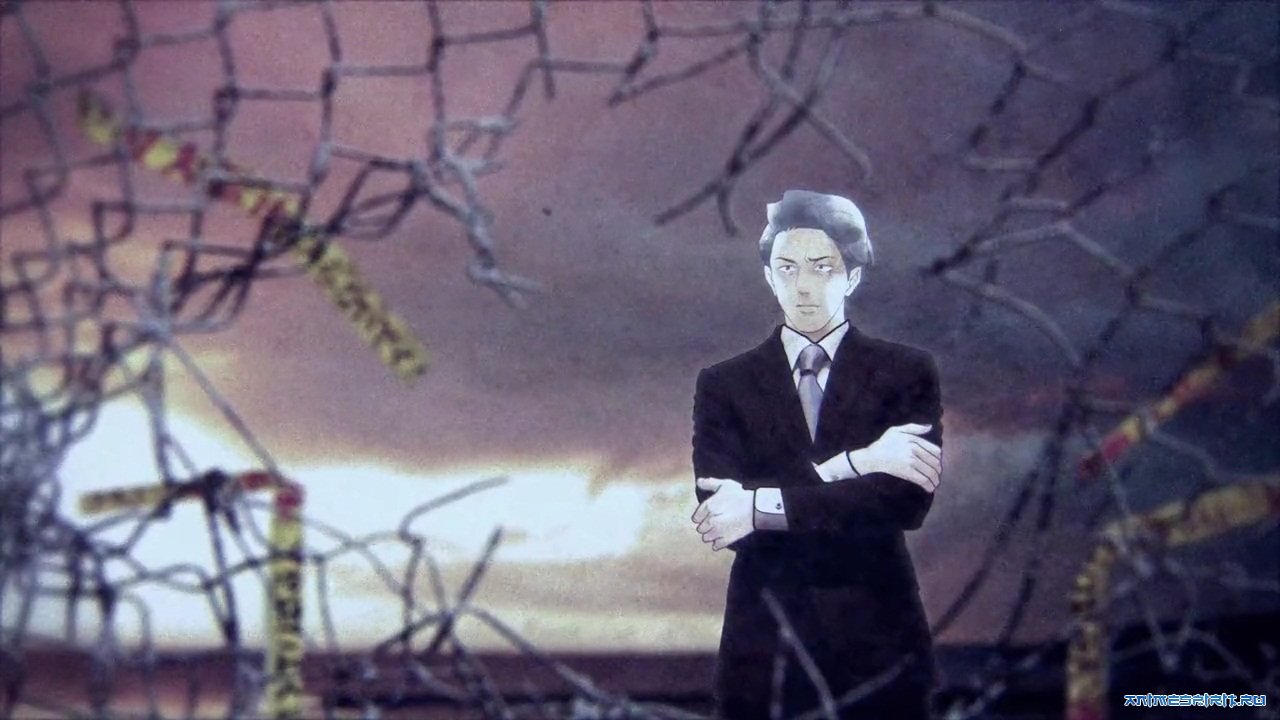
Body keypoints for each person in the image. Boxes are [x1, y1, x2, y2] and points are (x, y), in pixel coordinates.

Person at [690, 190, 944, 719]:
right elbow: (722, 515)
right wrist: (857, 464)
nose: (802, 285)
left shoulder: (906, 373)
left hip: (880, 647)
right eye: (787, 268)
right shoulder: (723, 384)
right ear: (768, 276)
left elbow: (905, 504)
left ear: (852, 275)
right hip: (764, 654)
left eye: (821, 267)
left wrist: (759, 505)